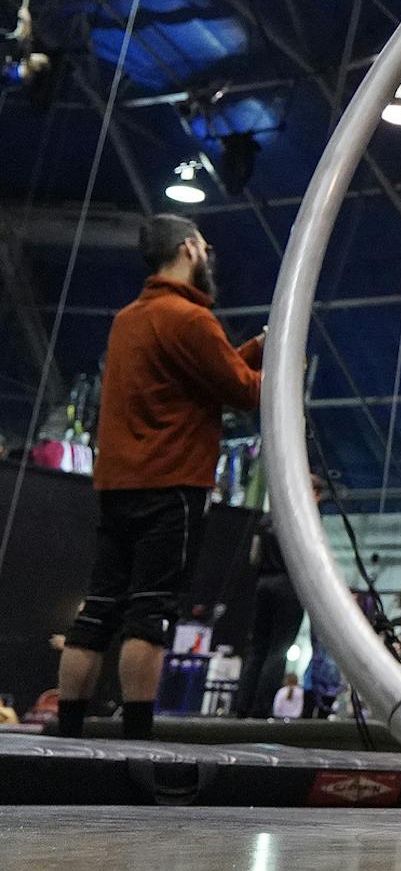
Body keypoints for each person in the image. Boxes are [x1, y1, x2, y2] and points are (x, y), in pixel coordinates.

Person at [55, 215, 262, 741]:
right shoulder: (190, 320)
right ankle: (138, 739)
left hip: (118, 484)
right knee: (151, 612)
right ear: (190, 249)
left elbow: (203, 376)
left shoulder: (129, 319)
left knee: (99, 609)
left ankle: (69, 731)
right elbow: (242, 390)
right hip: (172, 485)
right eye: (205, 249)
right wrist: (277, 362)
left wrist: (253, 350)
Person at [238, 472, 323, 718]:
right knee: (278, 649)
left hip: (263, 582)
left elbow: (254, 556)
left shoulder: (267, 518)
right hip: (289, 584)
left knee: (256, 647)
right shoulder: (305, 519)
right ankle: (261, 709)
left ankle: (243, 705)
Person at [1, 4, 50, 89]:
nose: (35, 55)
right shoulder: (19, 66)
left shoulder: (27, 76)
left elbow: (27, 46)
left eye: (38, 57)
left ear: (37, 68)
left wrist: (27, 21)